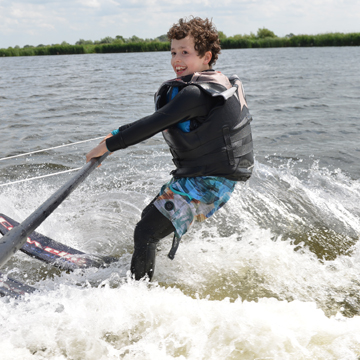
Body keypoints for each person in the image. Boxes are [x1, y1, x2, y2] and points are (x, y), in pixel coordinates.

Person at [86, 16, 254, 281]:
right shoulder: (203, 86)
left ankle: (139, 292)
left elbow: (155, 123)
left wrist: (108, 146)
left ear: (206, 56)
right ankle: (141, 266)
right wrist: (118, 133)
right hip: (201, 177)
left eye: (185, 53)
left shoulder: (197, 93)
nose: (177, 59)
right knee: (148, 220)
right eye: (173, 52)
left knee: (145, 232)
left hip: (209, 182)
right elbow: (163, 117)